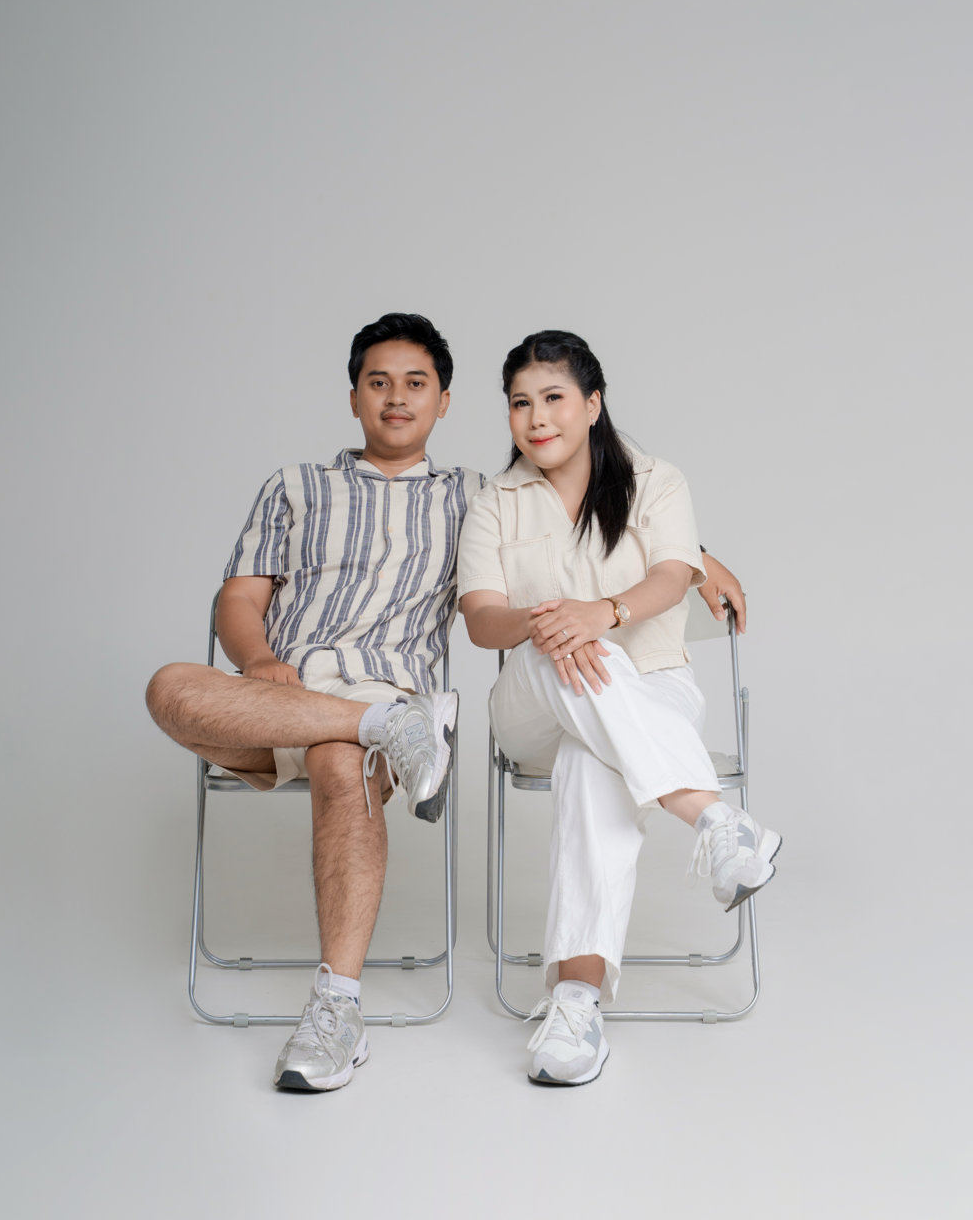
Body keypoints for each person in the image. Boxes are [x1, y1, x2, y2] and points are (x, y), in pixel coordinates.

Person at [146, 313, 747, 1093]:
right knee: (169, 687)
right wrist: (259, 660)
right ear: (354, 395)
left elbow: (585, 502)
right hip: (281, 691)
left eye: (416, 383)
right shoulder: (293, 487)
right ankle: (388, 728)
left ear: (445, 402)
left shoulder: (467, 493)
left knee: (347, 762)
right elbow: (238, 598)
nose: (396, 398)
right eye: (379, 382)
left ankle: (341, 1005)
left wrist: (696, 555)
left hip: (387, 687)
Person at [457, 329, 780, 1087]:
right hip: (532, 703)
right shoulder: (496, 501)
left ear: (594, 403)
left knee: (590, 758)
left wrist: (599, 613)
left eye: (554, 397)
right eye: (520, 403)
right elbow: (481, 620)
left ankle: (576, 1004)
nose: (537, 417)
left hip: (652, 690)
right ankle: (713, 818)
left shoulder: (657, 481)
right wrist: (548, 622)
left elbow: (674, 573)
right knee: (560, 650)